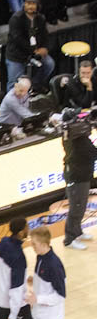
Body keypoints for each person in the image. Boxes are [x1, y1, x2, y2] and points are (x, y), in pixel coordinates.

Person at [60, 106, 97, 250]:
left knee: (81, 206)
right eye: (79, 119)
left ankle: (77, 232)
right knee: (76, 208)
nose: (83, 121)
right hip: (76, 177)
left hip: (82, 175)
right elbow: (94, 153)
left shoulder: (73, 136)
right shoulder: (77, 140)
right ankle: (69, 239)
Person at [4, 0, 54, 90]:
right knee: (14, 83)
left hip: (35, 53)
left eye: (33, 3)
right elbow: (18, 39)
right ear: (24, 4)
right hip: (17, 55)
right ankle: (11, 97)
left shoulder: (40, 18)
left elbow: (45, 35)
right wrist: (34, 51)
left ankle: (33, 86)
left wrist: (45, 48)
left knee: (49, 64)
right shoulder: (16, 19)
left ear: (37, 5)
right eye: (28, 3)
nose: (30, 6)